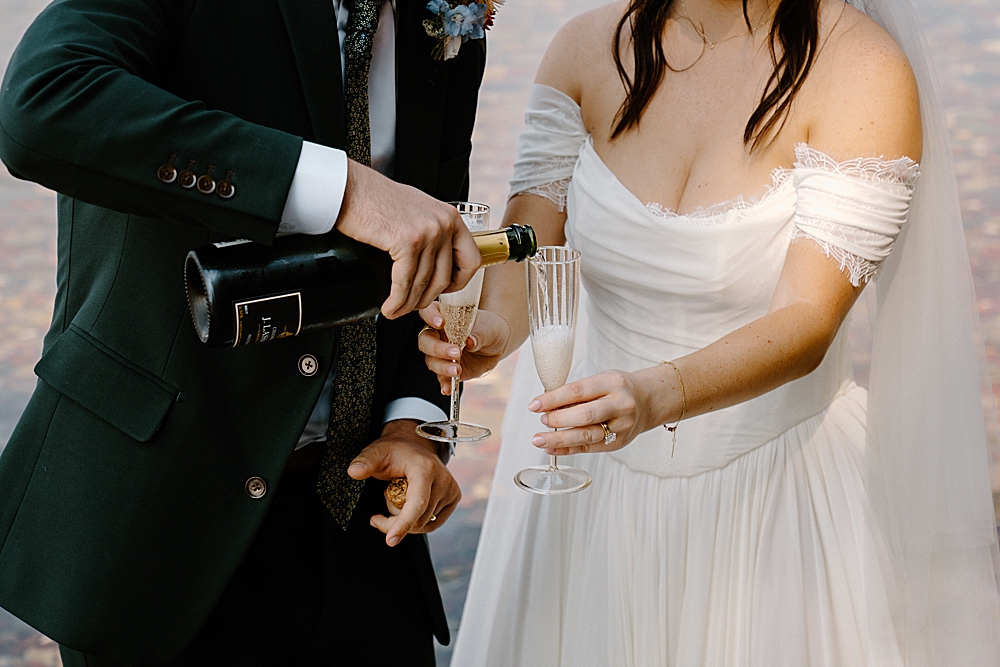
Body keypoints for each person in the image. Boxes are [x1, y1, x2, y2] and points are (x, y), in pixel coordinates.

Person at [420, 0, 1000, 664]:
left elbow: (807, 321)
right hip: (581, 495)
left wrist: (655, 396)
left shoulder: (862, 69)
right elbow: (530, 257)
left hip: (771, 500)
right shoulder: (582, 48)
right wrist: (488, 330)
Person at [0, 0, 489, 664]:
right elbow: (44, 102)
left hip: (363, 528)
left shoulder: (448, 15)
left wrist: (415, 421)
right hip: (161, 522)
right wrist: (347, 192)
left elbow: (432, 227)